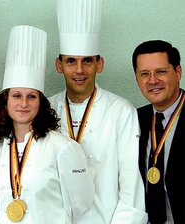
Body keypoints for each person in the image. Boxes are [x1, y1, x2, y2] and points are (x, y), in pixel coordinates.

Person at [49, 0, 147, 223]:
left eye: (87, 61)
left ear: (99, 64)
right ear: (59, 65)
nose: (80, 70)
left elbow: (131, 184)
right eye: (71, 61)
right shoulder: (45, 108)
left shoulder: (121, 111)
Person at [0, 25, 94, 224]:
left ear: (41, 102)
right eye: (16, 96)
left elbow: (81, 205)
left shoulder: (63, 148)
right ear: (6, 101)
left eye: (32, 96)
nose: (23, 103)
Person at [132, 40, 184, 224]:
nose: (153, 80)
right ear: (137, 79)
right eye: (144, 74)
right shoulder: (134, 119)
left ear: (178, 72)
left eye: (161, 72)